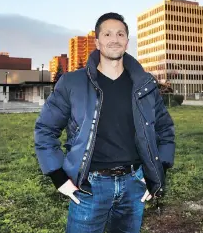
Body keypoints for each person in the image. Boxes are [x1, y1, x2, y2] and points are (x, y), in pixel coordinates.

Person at [34, 12, 175, 233]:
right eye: (107, 33)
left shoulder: (144, 83)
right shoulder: (72, 82)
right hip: (89, 187)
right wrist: (58, 176)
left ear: (127, 42)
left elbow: (165, 129)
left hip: (134, 184)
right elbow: (45, 129)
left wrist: (159, 172)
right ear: (97, 41)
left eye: (120, 34)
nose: (114, 39)